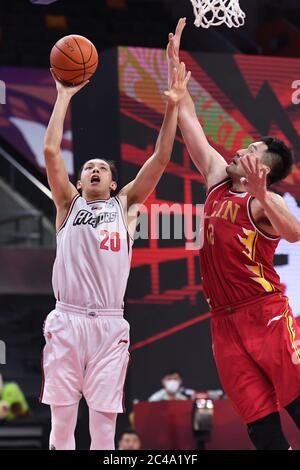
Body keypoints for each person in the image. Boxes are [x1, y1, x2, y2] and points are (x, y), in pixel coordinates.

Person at [40, 61, 191, 450]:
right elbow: (51, 150)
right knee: (61, 425)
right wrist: (63, 96)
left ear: (113, 181)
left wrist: (172, 106)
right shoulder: (67, 205)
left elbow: (160, 158)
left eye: (102, 168)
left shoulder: (126, 206)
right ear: (78, 180)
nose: (94, 170)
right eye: (88, 167)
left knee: (105, 432)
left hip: (109, 326)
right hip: (67, 318)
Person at [167, 18, 300, 450]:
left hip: (265, 313)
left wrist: (267, 195)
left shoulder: (264, 202)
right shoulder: (216, 179)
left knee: (297, 403)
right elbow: (190, 126)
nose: (242, 150)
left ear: (264, 170)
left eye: (252, 152)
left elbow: (295, 234)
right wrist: (177, 82)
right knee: (259, 421)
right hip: (223, 320)